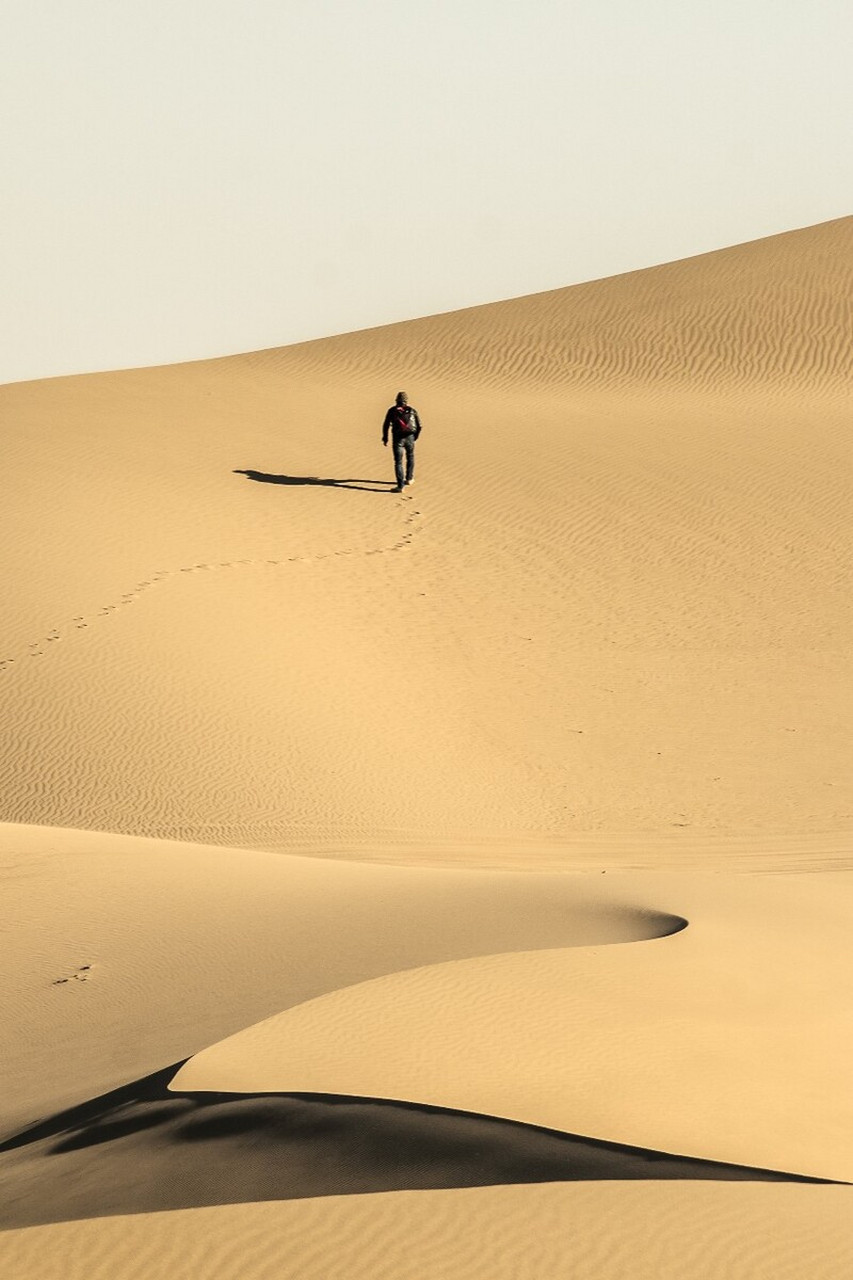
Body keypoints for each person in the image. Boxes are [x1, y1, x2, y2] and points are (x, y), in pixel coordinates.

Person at [382, 391, 422, 492]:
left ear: (396, 400)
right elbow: (419, 425)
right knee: (410, 457)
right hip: (410, 438)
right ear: (406, 401)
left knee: (398, 462)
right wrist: (415, 437)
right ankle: (409, 479)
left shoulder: (392, 410)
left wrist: (385, 437)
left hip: (398, 438)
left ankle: (400, 486)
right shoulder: (412, 410)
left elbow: (386, 424)